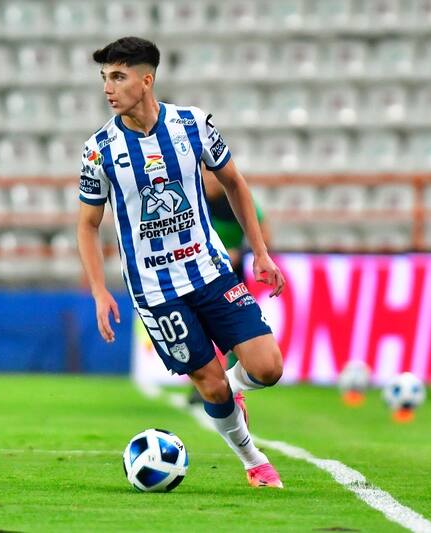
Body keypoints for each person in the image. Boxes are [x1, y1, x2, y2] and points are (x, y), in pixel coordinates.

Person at [76, 36, 285, 489]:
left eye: (118, 76)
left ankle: (235, 389)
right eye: (104, 77)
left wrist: (260, 251)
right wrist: (98, 290)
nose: (108, 88)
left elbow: (234, 183)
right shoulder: (98, 150)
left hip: (210, 270)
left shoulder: (194, 125)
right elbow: (88, 225)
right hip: (155, 290)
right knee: (210, 385)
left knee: (268, 367)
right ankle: (254, 461)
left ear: (146, 80)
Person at [188, 172, 273, 411]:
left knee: (234, 331)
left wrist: (241, 251)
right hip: (199, 273)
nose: (208, 179)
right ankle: (206, 383)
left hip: (230, 274)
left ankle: (230, 384)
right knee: (199, 329)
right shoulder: (194, 197)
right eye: (205, 174)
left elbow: (264, 235)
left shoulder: (235, 198)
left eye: (212, 174)